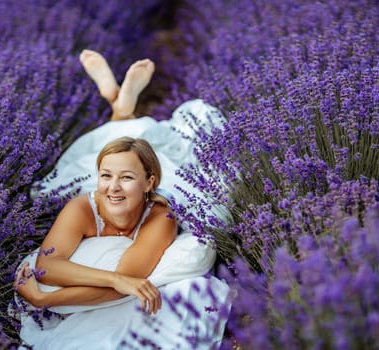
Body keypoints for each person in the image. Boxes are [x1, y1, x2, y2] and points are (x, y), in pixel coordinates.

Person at [12, 50, 231, 349]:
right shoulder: (82, 207)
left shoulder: (159, 216)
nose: (113, 187)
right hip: (106, 182)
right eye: (106, 177)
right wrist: (114, 279)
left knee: (156, 148)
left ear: (149, 183)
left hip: (161, 180)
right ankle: (120, 109)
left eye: (126, 180)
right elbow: (48, 266)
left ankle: (120, 110)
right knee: (80, 167)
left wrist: (44, 298)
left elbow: (127, 285)